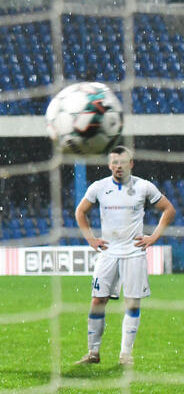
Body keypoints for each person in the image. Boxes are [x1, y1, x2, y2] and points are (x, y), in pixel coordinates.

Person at [73, 146, 176, 366]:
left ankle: (125, 355)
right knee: (97, 301)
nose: (118, 166)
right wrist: (90, 238)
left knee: (132, 303)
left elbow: (169, 209)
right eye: (114, 162)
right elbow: (80, 211)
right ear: (110, 165)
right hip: (108, 254)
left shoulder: (143, 186)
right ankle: (93, 353)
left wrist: (154, 236)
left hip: (134, 253)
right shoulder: (99, 187)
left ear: (131, 163)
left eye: (123, 162)